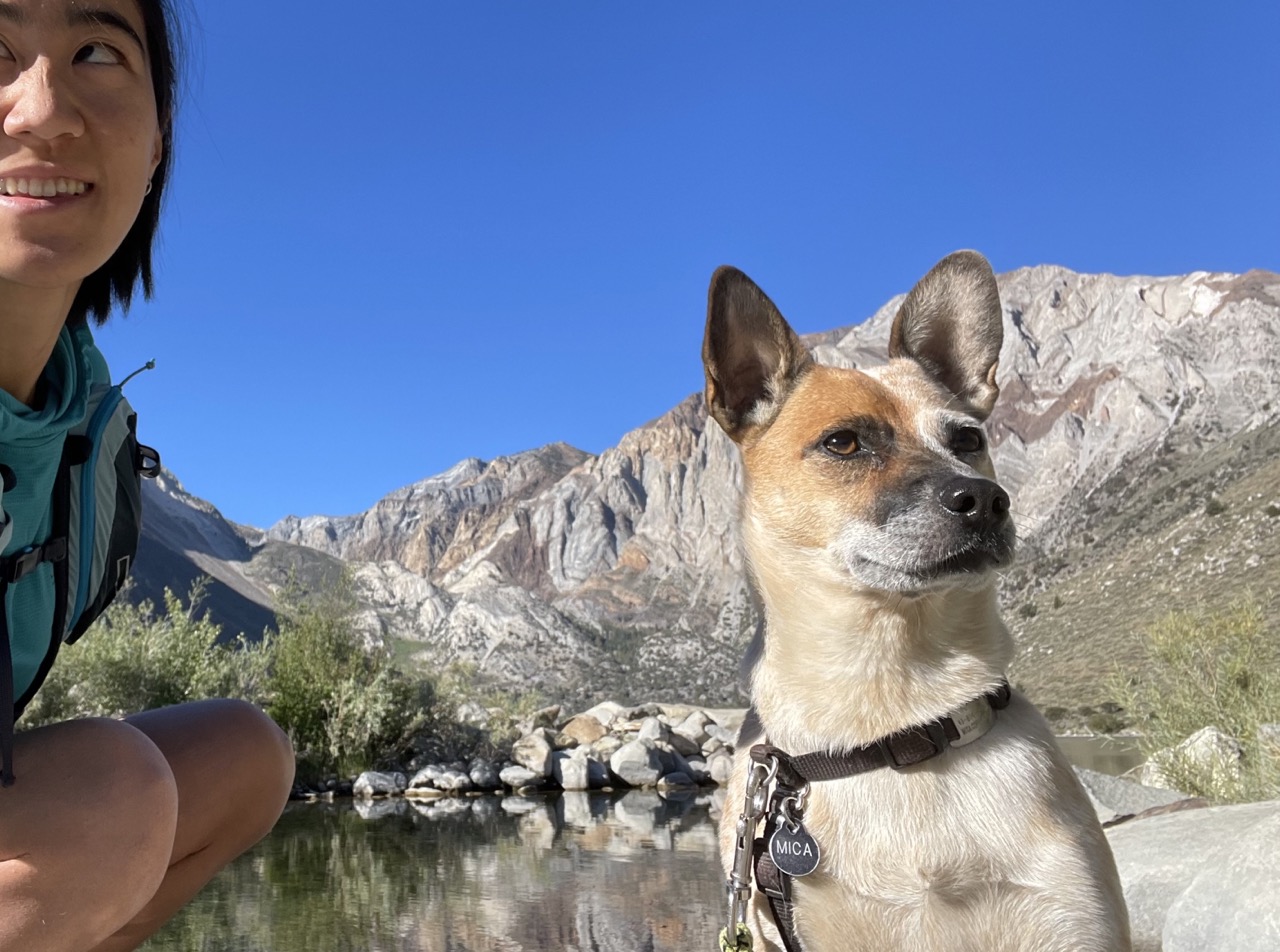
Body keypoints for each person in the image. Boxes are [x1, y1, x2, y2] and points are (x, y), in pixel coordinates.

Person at [0, 1, 294, 949]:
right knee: (109, 798)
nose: (42, 109)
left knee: (244, 757)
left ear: (159, 137)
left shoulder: (83, 420)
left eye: (94, 51)